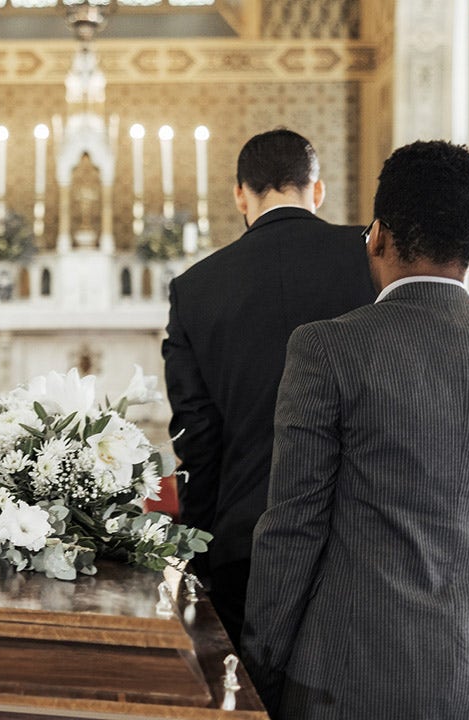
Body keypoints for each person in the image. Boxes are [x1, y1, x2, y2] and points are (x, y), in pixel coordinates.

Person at [243, 140, 469, 720]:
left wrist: (259, 674)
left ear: (378, 237)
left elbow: (292, 532)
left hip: (341, 689)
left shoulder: (326, 349)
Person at [161, 128, 375, 650]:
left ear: (240, 194)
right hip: (361, 533)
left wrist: (202, 548)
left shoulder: (196, 287)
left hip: (244, 537)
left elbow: (197, 437)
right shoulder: (371, 257)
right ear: (316, 189)